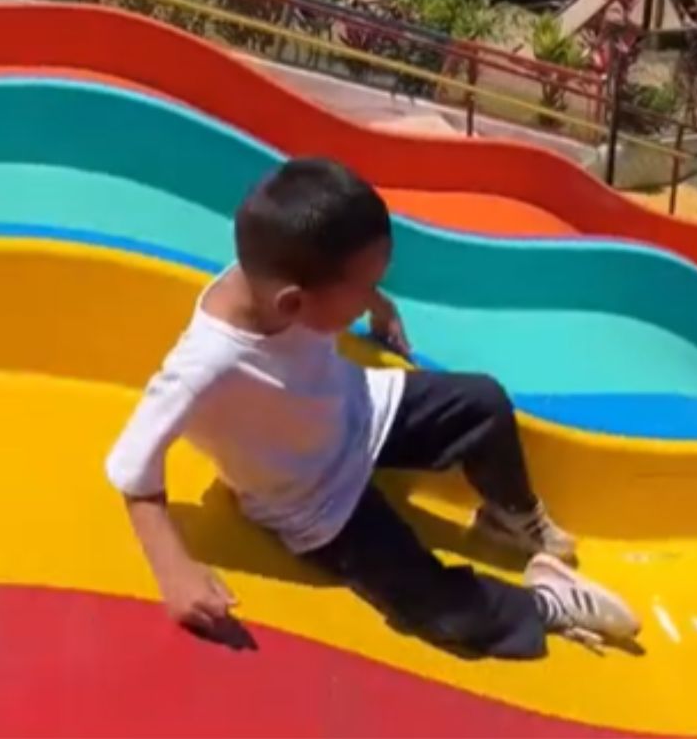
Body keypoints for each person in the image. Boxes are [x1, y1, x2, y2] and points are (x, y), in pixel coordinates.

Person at [106, 157, 640, 659]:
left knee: (483, 402)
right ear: (294, 304)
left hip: (361, 409)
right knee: (443, 616)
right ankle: (546, 602)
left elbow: (332, 290)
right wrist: (174, 571)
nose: (372, 294)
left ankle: (511, 517)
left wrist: (376, 307)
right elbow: (134, 470)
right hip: (315, 503)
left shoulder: (277, 275)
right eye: (366, 287)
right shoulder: (206, 366)